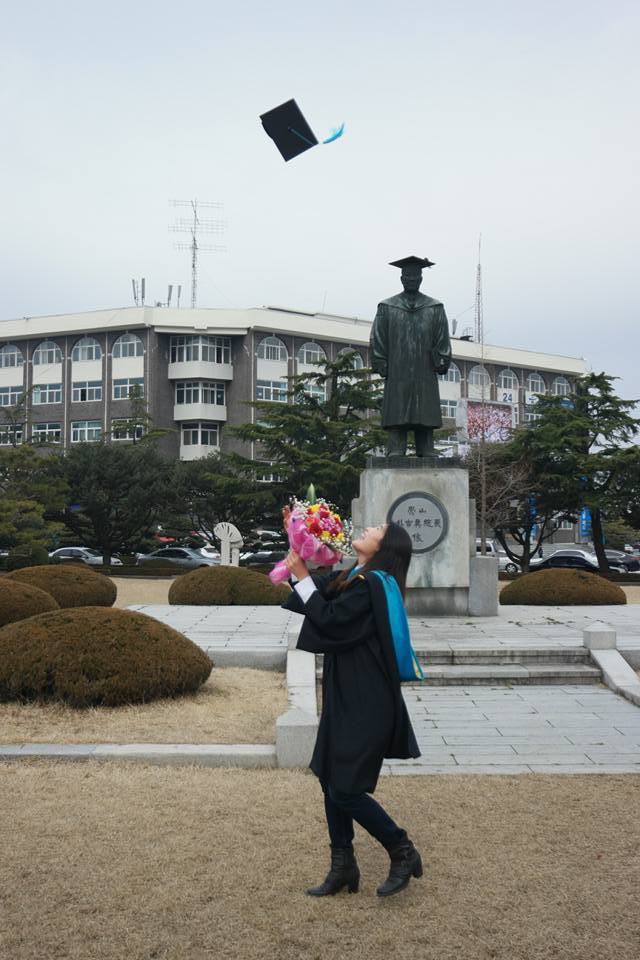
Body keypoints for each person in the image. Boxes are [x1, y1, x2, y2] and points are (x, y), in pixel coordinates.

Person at [282, 516, 423, 898]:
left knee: (345, 788)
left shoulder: (372, 586)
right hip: (348, 693)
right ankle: (343, 866)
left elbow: (330, 618)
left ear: (384, 546)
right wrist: (298, 537)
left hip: (367, 699)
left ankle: (401, 849)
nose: (369, 528)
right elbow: (317, 595)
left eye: (377, 529)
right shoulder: (356, 575)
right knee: (331, 779)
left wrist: (303, 576)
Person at [370, 255, 452, 457]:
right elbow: (377, 337)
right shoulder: (387, 307)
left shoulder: (435, 308)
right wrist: (380, 360)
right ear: (402, 278)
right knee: (398, 410)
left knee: (425, 410)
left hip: (425, 369)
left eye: (416, 276)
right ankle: (396, 448)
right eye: (408, 276)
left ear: (421, 278)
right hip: (398, 370)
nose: (412, 280)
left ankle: (426, 448)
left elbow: (442, 338)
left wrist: (442, 358)